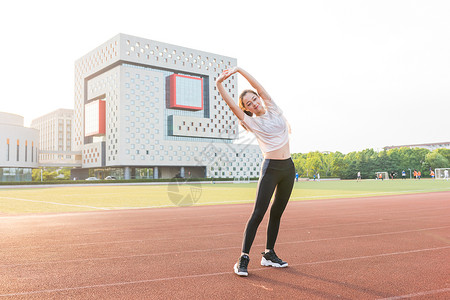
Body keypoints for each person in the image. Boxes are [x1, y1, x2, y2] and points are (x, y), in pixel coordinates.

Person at [216, 67, 294, 277]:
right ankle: (243, 258)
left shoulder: (273, 108)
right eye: (249, 104)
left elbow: (259, 86)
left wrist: (239, 70)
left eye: (254, 99)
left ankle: (269, 254)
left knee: (277, 213)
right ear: (247, 109)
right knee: (258, 214)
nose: (254, 103)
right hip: (271, 169)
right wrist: (219, 84)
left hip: (288, 168)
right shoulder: (252, 122)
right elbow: (232, 104)